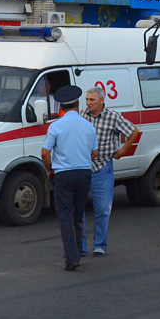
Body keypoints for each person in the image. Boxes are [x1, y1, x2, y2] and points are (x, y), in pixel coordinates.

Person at [41, 85, 98, 271]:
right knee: (78, 213)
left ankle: (71, 257)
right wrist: (82, 160)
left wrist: (49, 169)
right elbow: (95, 152)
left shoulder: (56, 126)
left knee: (65, 215)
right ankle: (79, 250)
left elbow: (45, 153)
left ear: (61, 107)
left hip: (63, 174)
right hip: (83, 173)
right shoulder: (88, 125)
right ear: (78, 104)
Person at [80, 86, 140, 257]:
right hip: (84, 166)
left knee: (102, 208)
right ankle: (81, 246)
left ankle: (99, 244)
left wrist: (122, 151)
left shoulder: (112, 117)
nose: (88, 103)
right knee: (79, 207)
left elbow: (133, 131)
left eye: (92, 100)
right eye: (87, 99)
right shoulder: (82, 115)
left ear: (101, 101)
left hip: (103, 167)